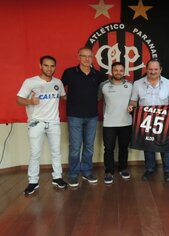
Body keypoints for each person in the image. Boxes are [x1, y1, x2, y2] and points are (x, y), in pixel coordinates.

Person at [17, 55, 68, 195]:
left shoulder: (58, 82)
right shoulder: (30, 82)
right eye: (46, 65)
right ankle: (33, 181)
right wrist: (30, 102)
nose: (49, 68)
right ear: (40, 66)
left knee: (56, 152)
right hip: (36, 123)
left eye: (52, 66)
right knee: (35, 154)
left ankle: (57, 178)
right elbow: (19, 100)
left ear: (55, 67)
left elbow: (64, 97)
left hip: (53, 122)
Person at [128, 59, 169, 182]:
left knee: (165, 146)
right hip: (146, 120)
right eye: (150, 69)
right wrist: (131, 105)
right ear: (146, 69)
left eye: (156, 69)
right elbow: (134, 100)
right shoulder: (138, 84)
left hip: (163, 121)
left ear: (161, 70)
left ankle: (167, 171)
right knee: (148, 146)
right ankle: (150, 169)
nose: (153, 71)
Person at [61, 47, 105, 187]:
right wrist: (67, 98)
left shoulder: (97, 75)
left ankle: (86, 171)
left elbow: (104, 90)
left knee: (89, 146)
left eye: (90, 56)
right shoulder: (69, 73)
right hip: (74, 116)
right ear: (78, 57)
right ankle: (73, 174)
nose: (87, 59)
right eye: (84, 56)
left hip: (92, 116)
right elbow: (59, 88)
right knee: (75, 147)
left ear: (93, 58)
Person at [98, 62, 133, 184]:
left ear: (124, 71)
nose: (118, 72)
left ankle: (123, 168)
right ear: (111, 71)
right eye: (116, 70)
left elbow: (135, 101)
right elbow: (97, 99)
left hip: (126, 122)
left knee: (124, 148)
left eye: (121, 70)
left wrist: (132, 106)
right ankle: (109, 171)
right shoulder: (103, 85)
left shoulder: (130, 85)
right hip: (109, 123)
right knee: (108, 148)